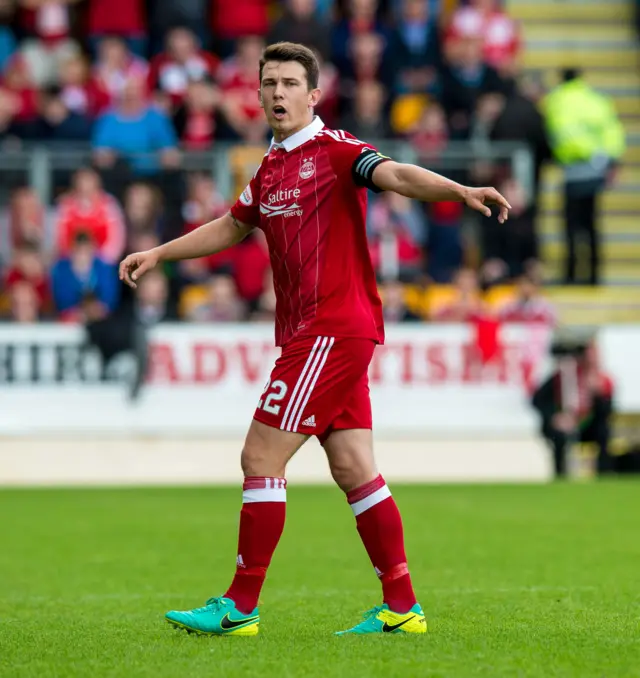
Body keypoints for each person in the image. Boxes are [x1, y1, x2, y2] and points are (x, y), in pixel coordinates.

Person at [119, 41, 510, 637]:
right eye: (268, 83)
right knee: (355, 468)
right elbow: (231, 225)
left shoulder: (334, 151)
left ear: (314, 94)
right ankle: (402, 609)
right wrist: (158, 253)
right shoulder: (269, 166)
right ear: (257, 93)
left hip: (330, 329)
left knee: (259, 457)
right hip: (323, 333)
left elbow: (397, 174)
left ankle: (239, 606)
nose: (278, 93)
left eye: (289, 84)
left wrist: (458, 190)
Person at [542, 68, 625, 286]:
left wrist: (576, 154)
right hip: (595, 169)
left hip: (572, 170)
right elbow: (612, 131)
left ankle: (571, 273)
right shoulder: (597, 99)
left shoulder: (557, 99)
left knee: (571, 225)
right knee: (591, 223)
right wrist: (608, 160)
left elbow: (560, 133)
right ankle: (594, 275)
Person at [532, 340, 614, 478]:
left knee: (603, 432)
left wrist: (599, 396)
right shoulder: (562, 377)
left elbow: (606, 413)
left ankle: (603, 474)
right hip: (563, 424)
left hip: (587, 425)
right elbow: (538, 399)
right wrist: (555, 417)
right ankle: (560, 475)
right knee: (559, 437)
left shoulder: (603, 380)